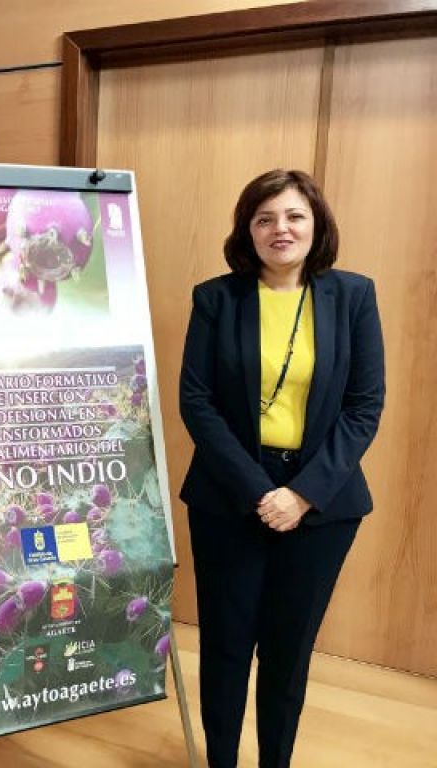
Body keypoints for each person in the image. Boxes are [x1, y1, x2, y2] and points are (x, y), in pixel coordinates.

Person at [179, 169, 384, 767]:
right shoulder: (216, 299)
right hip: (228, 496)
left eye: (294, 216)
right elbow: (197, 401)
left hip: (323, 501)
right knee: (226, 646)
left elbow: (364, 406)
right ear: (248, 229)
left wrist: (301, 495)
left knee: (288, 653)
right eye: (265, 218)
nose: (280, 229)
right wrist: (259, 491)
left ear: (316, 225)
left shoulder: (354, 296)